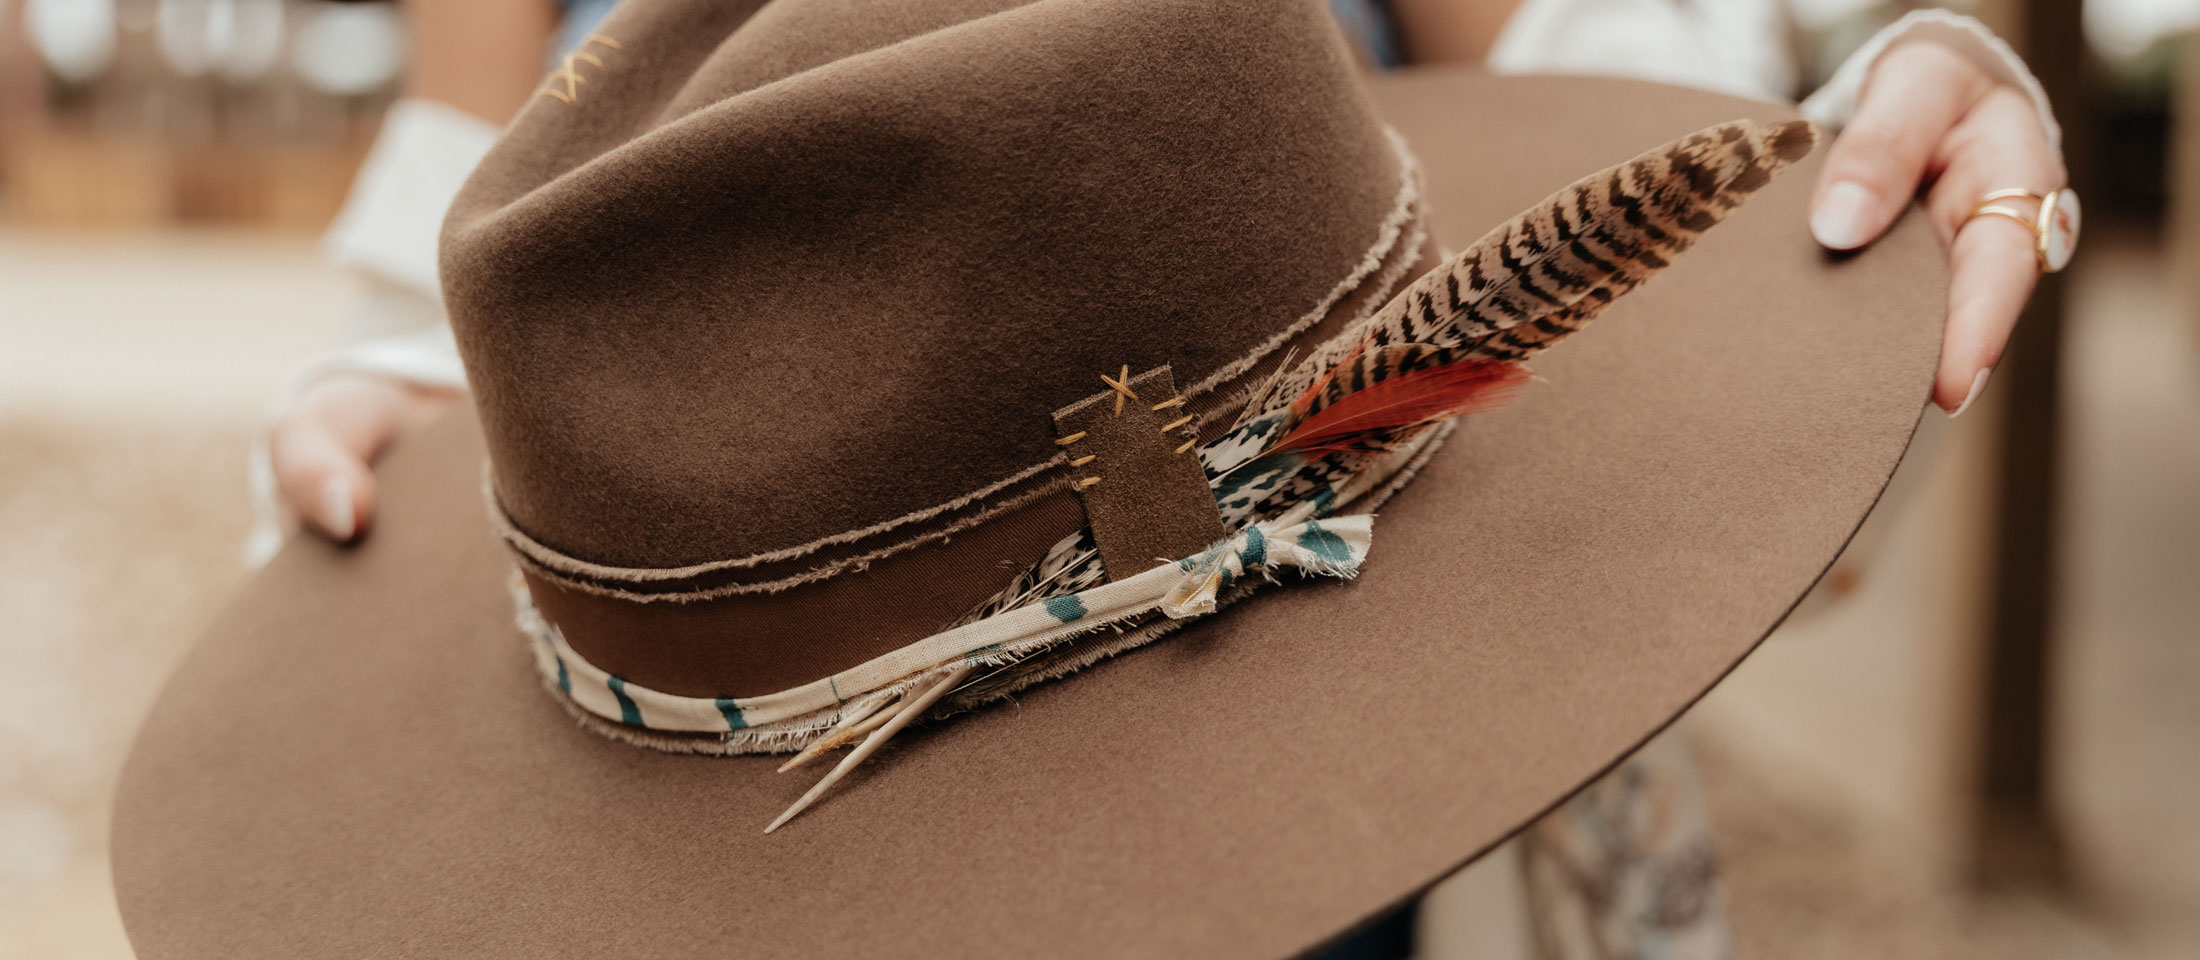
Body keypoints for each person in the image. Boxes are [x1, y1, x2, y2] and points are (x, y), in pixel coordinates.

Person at [246, 2, 2068, 955]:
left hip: (1329, 778)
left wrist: (1890, 167)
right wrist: (407, 418)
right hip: (750, 840)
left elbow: (1738, 351)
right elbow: (427, 301)